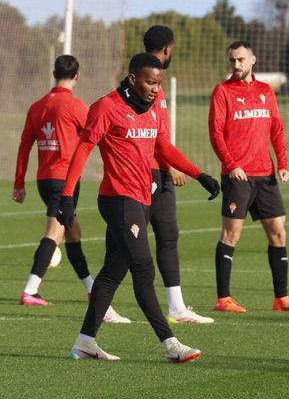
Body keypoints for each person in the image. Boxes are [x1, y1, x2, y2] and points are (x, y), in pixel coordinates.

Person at [56, 53, 220, 362]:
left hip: (142, 199)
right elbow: (84, 148)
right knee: (143, 269)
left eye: (158, 83)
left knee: (111, 274)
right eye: (149, 82)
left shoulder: (155, 107)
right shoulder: (107, 107)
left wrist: (200, 175)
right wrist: (66, 195)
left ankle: (85, 341)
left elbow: (164, 148)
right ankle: (171, 344)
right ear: (133, 79)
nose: (156, 88)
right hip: (118, 200)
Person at [11, 55, 130, 323]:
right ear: (77, 76)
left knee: (73, 232)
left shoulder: (37, 106)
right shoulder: (75, 106)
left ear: (54, 73)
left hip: (44, 179)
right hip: (65, 180)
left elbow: (24, 145)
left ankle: (90, 288)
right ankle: (30, 290)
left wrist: (19, 182)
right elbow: (98, 136)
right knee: (55, 231)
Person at [209, 41, 289, 313]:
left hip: (265, 175)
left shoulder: (266, 91)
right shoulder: (222, 91)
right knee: (231, 235)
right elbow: (216, 133)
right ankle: (223, 299)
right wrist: (231, 165)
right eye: (232, 60)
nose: (236, 65)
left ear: (253, 59)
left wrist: (283, 163)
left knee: (279, 233)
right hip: (238, 177)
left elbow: (276, 129)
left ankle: (282, 298)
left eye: (241, 59)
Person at [141, 25, 214, 324]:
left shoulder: (146, 75)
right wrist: (170, 165)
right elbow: (145, 132)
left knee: (168, 234)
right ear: (168, 48)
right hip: (148, 172)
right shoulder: (147, 80)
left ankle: (176, 306)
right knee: (127, 244)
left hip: (161, 169)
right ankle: (101, 301)